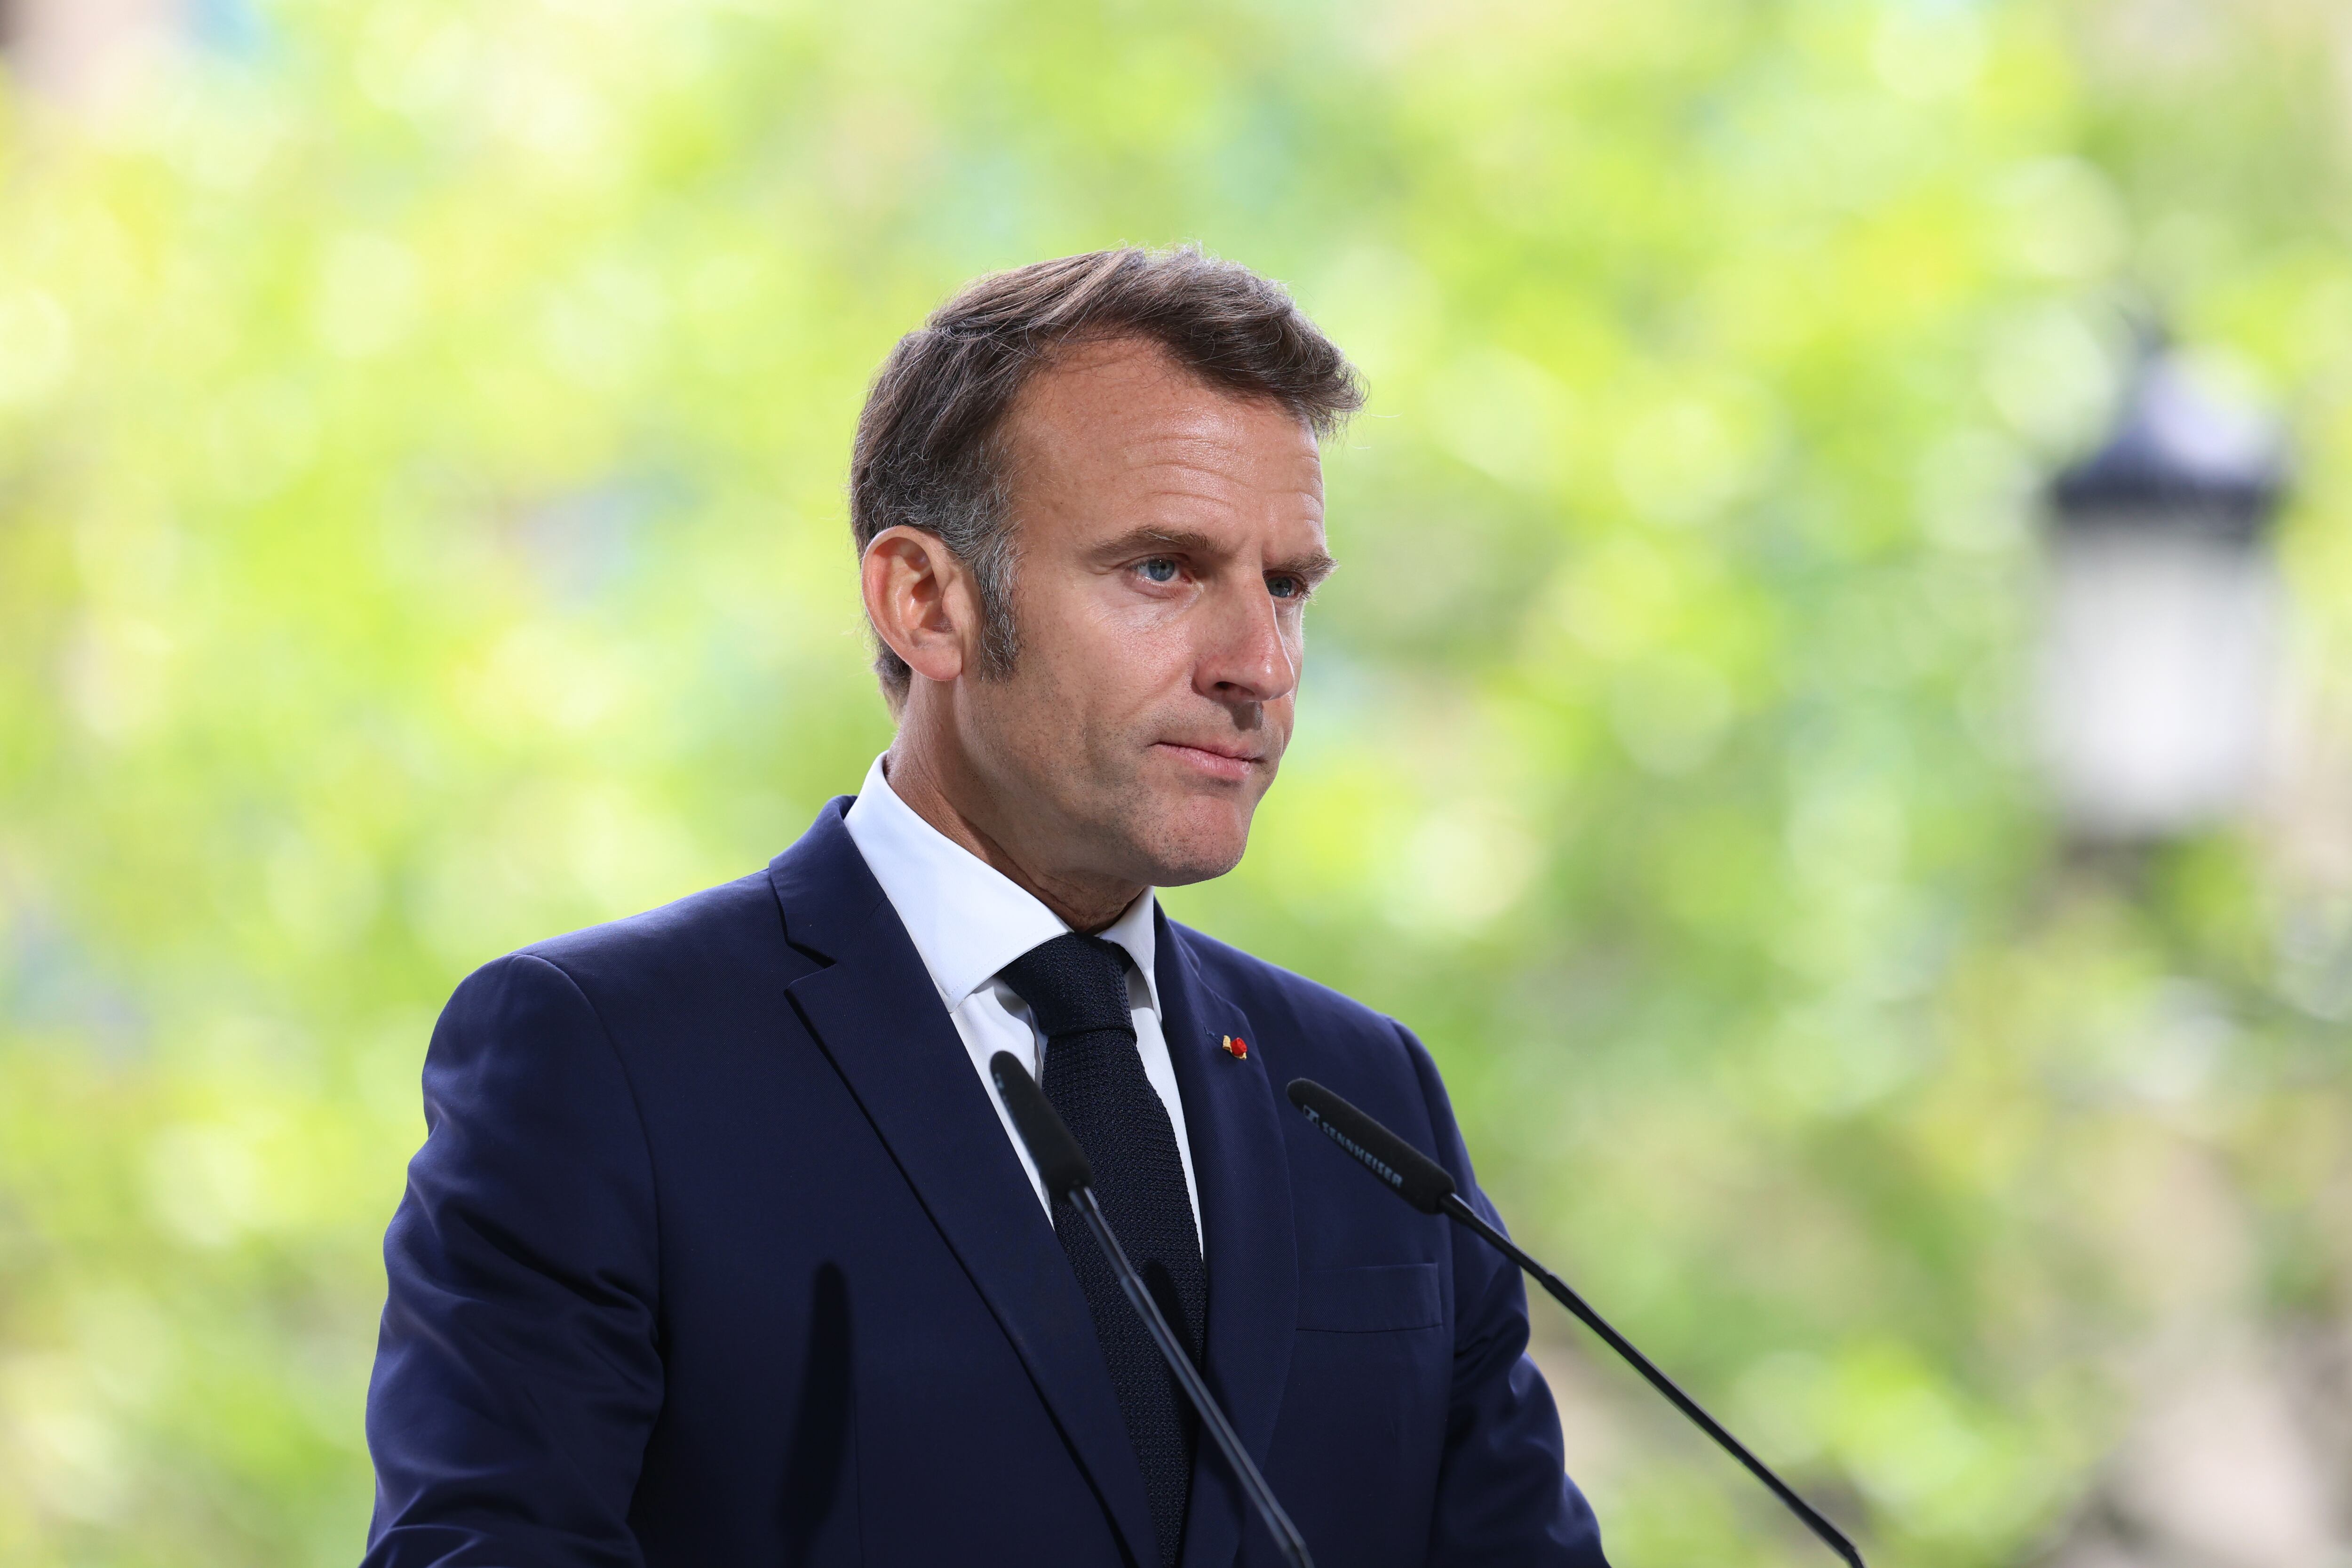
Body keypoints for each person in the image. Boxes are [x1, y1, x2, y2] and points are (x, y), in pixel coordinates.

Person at [363, 247, 1609, 1568]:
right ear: (926, 603)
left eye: (1287, 586)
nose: (1260, 664)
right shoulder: (604, 1060)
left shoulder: (1368, 1094)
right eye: (1165, 569)